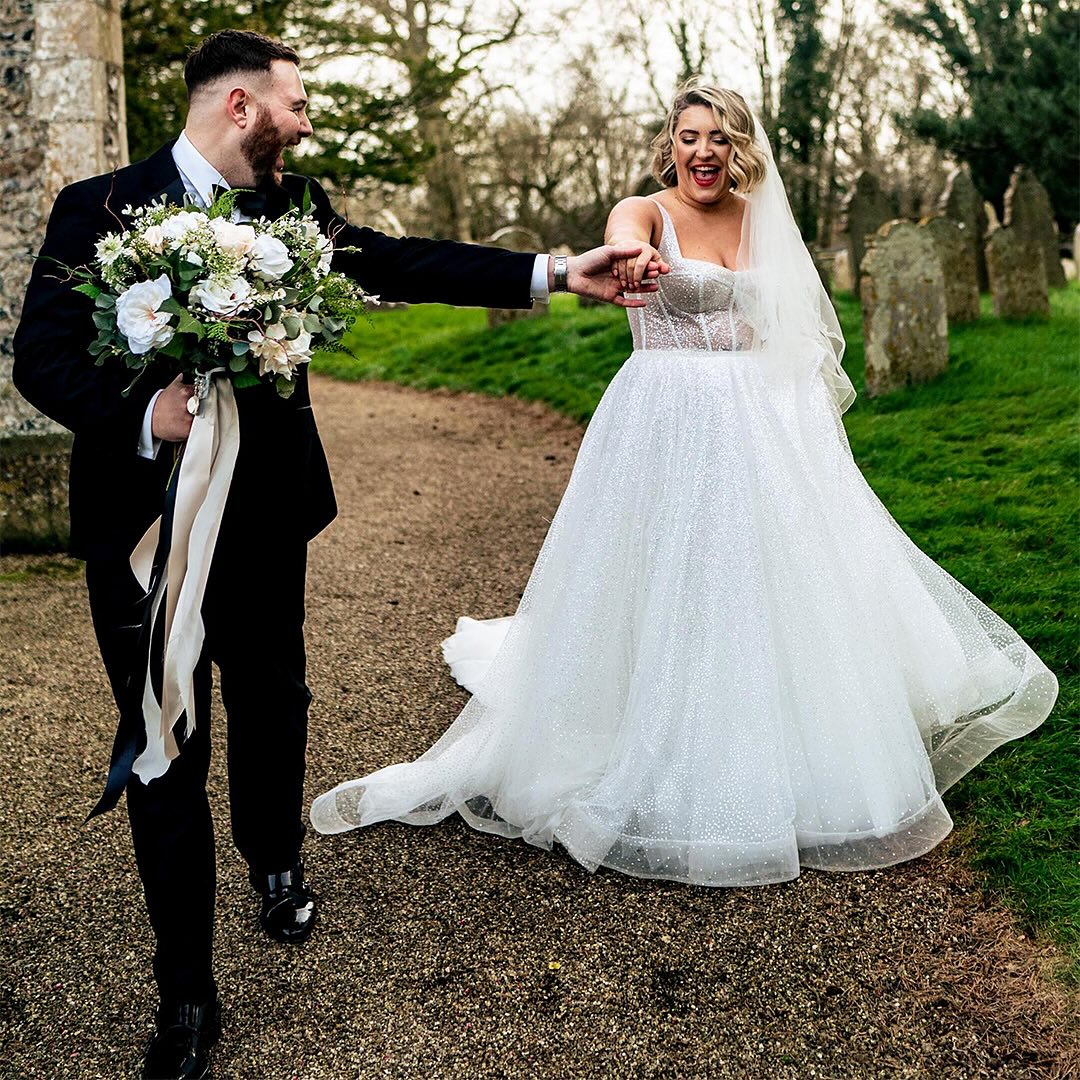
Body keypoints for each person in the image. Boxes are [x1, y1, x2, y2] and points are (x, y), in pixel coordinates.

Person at [11, 29, 664, 1080]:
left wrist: (552, 272)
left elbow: (396, 259)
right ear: (238, 107)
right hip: (141, 535)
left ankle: (273, 857)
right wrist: (143, 417)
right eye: (297, 104)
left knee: (274, 699)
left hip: (265, 519)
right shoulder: (96, 208)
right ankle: (184, 995)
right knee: (163, 741)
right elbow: (38, 357)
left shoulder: (295, 209)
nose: (306, 121)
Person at [311, 83, 1058, 891]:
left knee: (776, 582)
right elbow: (622, 236)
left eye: (722, 138)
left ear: (742, 148)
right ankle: (667, 736)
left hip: (765, 420)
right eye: (691, 136)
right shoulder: (645, 211)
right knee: (677, 577)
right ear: (671, 145)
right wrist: (633, 255)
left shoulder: (762, 216)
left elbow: (794, 322)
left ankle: (781, 731)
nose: (705, 151)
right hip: (669, 415)